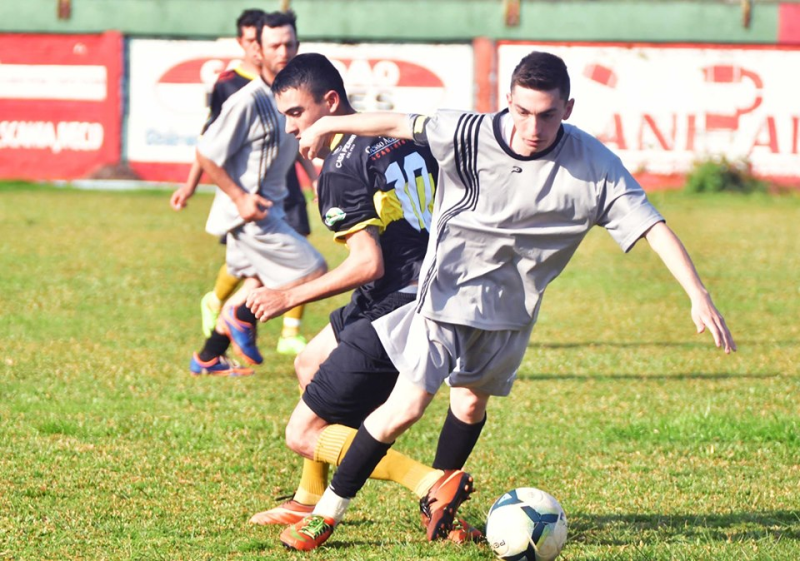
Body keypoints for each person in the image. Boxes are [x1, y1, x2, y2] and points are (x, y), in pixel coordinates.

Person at [278, 50, 738, 550]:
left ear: (568, 108)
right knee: (405, 406)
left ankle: (442, 504)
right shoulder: (471, 132)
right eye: (521, 111)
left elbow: (650, 223)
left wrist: (698, 293)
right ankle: (325, 515)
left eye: (546, 114)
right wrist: (330, 127)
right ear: (509, 103)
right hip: (446, 290)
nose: (532, 127)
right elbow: (395, 120)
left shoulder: (596, 167)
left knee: (471, 404)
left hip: (511, 309)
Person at [242, 53, 480, 544]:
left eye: (296, 114)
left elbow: (366, 263)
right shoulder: (401, 132)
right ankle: (308, 499)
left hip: (401, 301)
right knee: (308, 364)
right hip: (412, 284)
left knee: (303, 434)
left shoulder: (343, 166)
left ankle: (430, 482)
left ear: (331, 103)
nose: (291, 128)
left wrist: (288, 295)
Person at [187, 11, 327, 376]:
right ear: (258, 50)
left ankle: (208, 358)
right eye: (275, 45)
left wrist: (316, 177)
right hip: (251, 215)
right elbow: (205, 152)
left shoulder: (287, 95)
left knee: (255, 281)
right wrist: (240, 198)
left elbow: (295, 143)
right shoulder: (247, 100)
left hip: (271, 209)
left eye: (290, 44)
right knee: (314, 272)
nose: (284, 51)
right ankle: (239, 315)